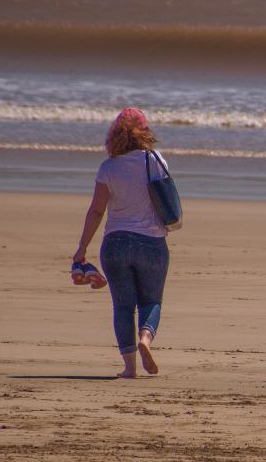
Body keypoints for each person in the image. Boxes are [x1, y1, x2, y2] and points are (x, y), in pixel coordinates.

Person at [73, 107, 171, 378]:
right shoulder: (156, 161)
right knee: (151, 301)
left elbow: (96, 211)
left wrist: (82, 247)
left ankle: (129, 368)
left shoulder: (108, 167)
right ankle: (145, 339)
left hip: (115, 243)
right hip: (152, 242)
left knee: (123, 306)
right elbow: (165, 199)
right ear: (145, 131)